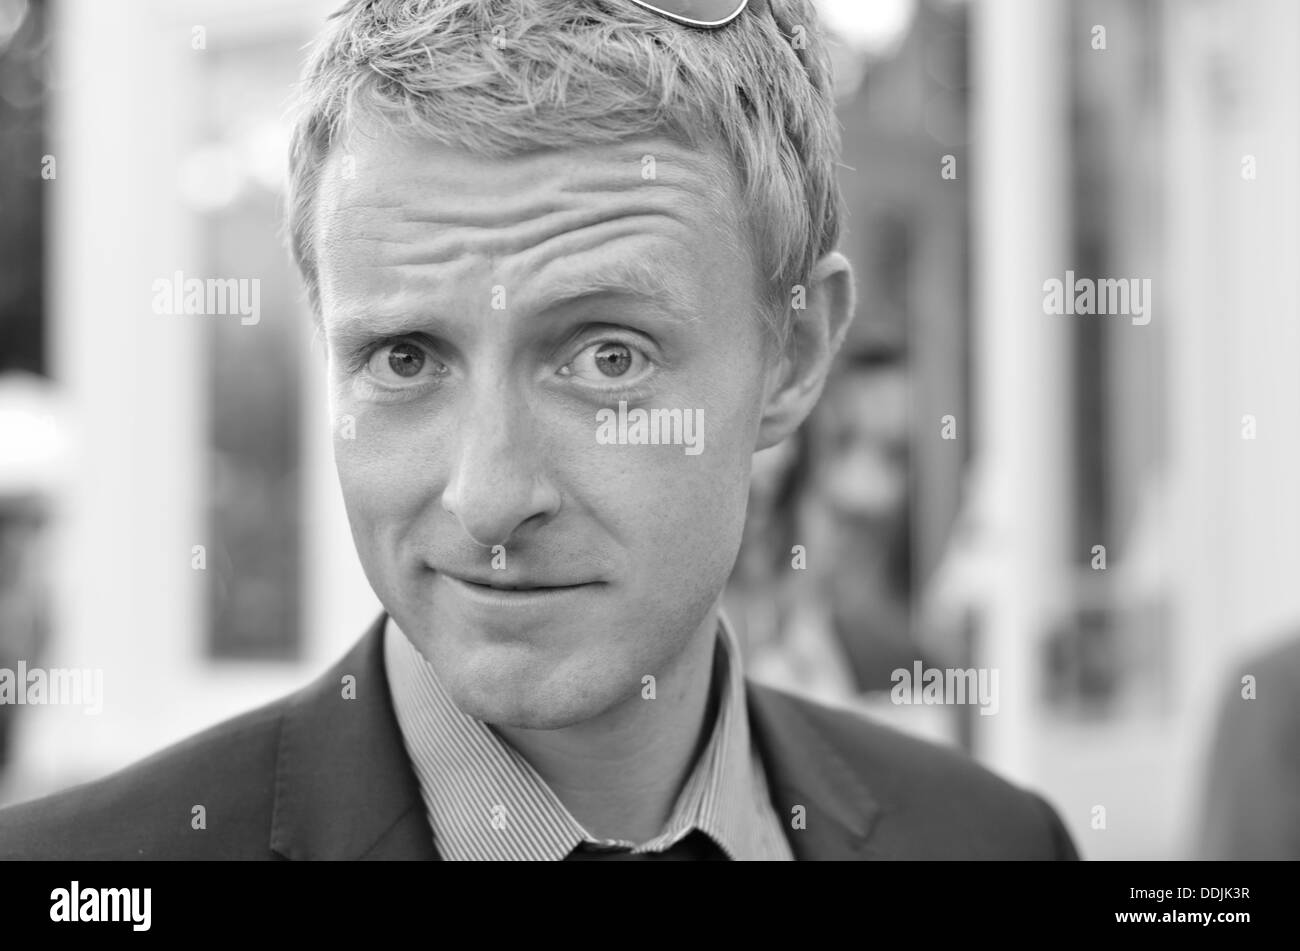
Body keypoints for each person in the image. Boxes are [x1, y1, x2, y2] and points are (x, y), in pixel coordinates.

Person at [0, 0, 1077, 860]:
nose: (488, 495)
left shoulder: (992, 844)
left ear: (792, 358)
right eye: (405, 357)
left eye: (607, 357)